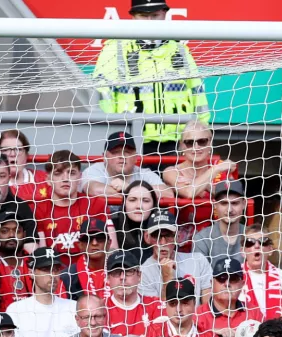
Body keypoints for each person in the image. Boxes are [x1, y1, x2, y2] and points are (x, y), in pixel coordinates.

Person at [92, 0, 211, 157]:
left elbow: (198, 94)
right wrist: (116, 138)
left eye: (155, 15)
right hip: (130, 143)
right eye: (143, 16)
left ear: (164, 14)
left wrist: (201, 132)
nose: (149, 22)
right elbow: (102, 96)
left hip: (178, 143)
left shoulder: (179, 49)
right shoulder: (115, 48)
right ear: (133, 17)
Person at [6, 247, 80, 337]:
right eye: (46, 270)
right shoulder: (16, 310)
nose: (52, 275)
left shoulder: (74, 307)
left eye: (56, 270)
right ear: (31, 273)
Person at [29, 150, 107, 263]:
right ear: (48, 180)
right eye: (58, 173)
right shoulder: (37, 208)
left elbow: (111, 247)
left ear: (80, 178)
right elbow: (42, 255)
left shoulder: (95, 204)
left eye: (71, 173)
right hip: (52, 272)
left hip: (89, 272)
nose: (65, 178)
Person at [138, 208, 212, 301]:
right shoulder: (143, 273)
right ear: (147, 237)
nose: (163, 242)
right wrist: (166, 279)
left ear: (177, 237)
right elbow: (158, 313)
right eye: (157, 235)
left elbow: (207, 307)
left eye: (168, 235)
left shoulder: (198, 261)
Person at [163, 120, 236, 200]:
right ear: (182, 146)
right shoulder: (171, 172)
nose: (196, 147)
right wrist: (215, 169)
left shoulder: (221, 169)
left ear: (210, 143)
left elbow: (230, 201)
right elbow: (189, 193)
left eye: (202, 141)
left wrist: (207, 186)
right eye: (189, 142)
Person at [198, 256, 263, 337]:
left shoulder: (254, 312)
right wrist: (212, 333)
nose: (227, 284)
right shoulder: (198, 316)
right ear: (212, 283)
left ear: (242, 284)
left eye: (233, 279)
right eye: (221, 278)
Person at [239, 224, 282, 319]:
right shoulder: (234, 278)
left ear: (270, 249)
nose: (257, 246)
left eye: (263, 242)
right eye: (250, 242)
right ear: (242, 251)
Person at [83, 131, 168, 199]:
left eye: (127, 152)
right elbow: (94, 190)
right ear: (105, 156)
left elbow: (167, 193)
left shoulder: (144, 173)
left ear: (135, 157)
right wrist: (137, 194)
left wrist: (127, 187)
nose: (122, 156)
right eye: (115, 152)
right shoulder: (95, 170)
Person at [103, 250, 163, 337]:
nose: (122, 277)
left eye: (128, 271)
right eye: (116, 272)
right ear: (108, 278)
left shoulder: (155, 305)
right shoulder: (99, 310)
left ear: (139, 276)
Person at [191, 180, 246, 264]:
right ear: (215, 205)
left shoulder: (252, 237)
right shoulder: (202, 238)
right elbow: (200, 275)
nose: (229, 210)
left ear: (244, 204)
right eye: (224, 203)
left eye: (235, 203)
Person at [59, 218, 110, 302]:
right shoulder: (66, 278)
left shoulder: (121, 272)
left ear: (109, 243)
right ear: (80, 245)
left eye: (100, 238)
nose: (94, 243)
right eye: (88, 239)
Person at [108, 180, 156, 265]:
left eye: (145, 200)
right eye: (132, 200)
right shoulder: (112, 227)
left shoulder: (163, 228)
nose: (139, 206)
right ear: (124, 203)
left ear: (153, 205)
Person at [0, 129, 45, 197]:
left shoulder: (44, 179)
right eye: (5, 150)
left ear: (26, 154)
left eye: (18, 149)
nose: (12, 154)